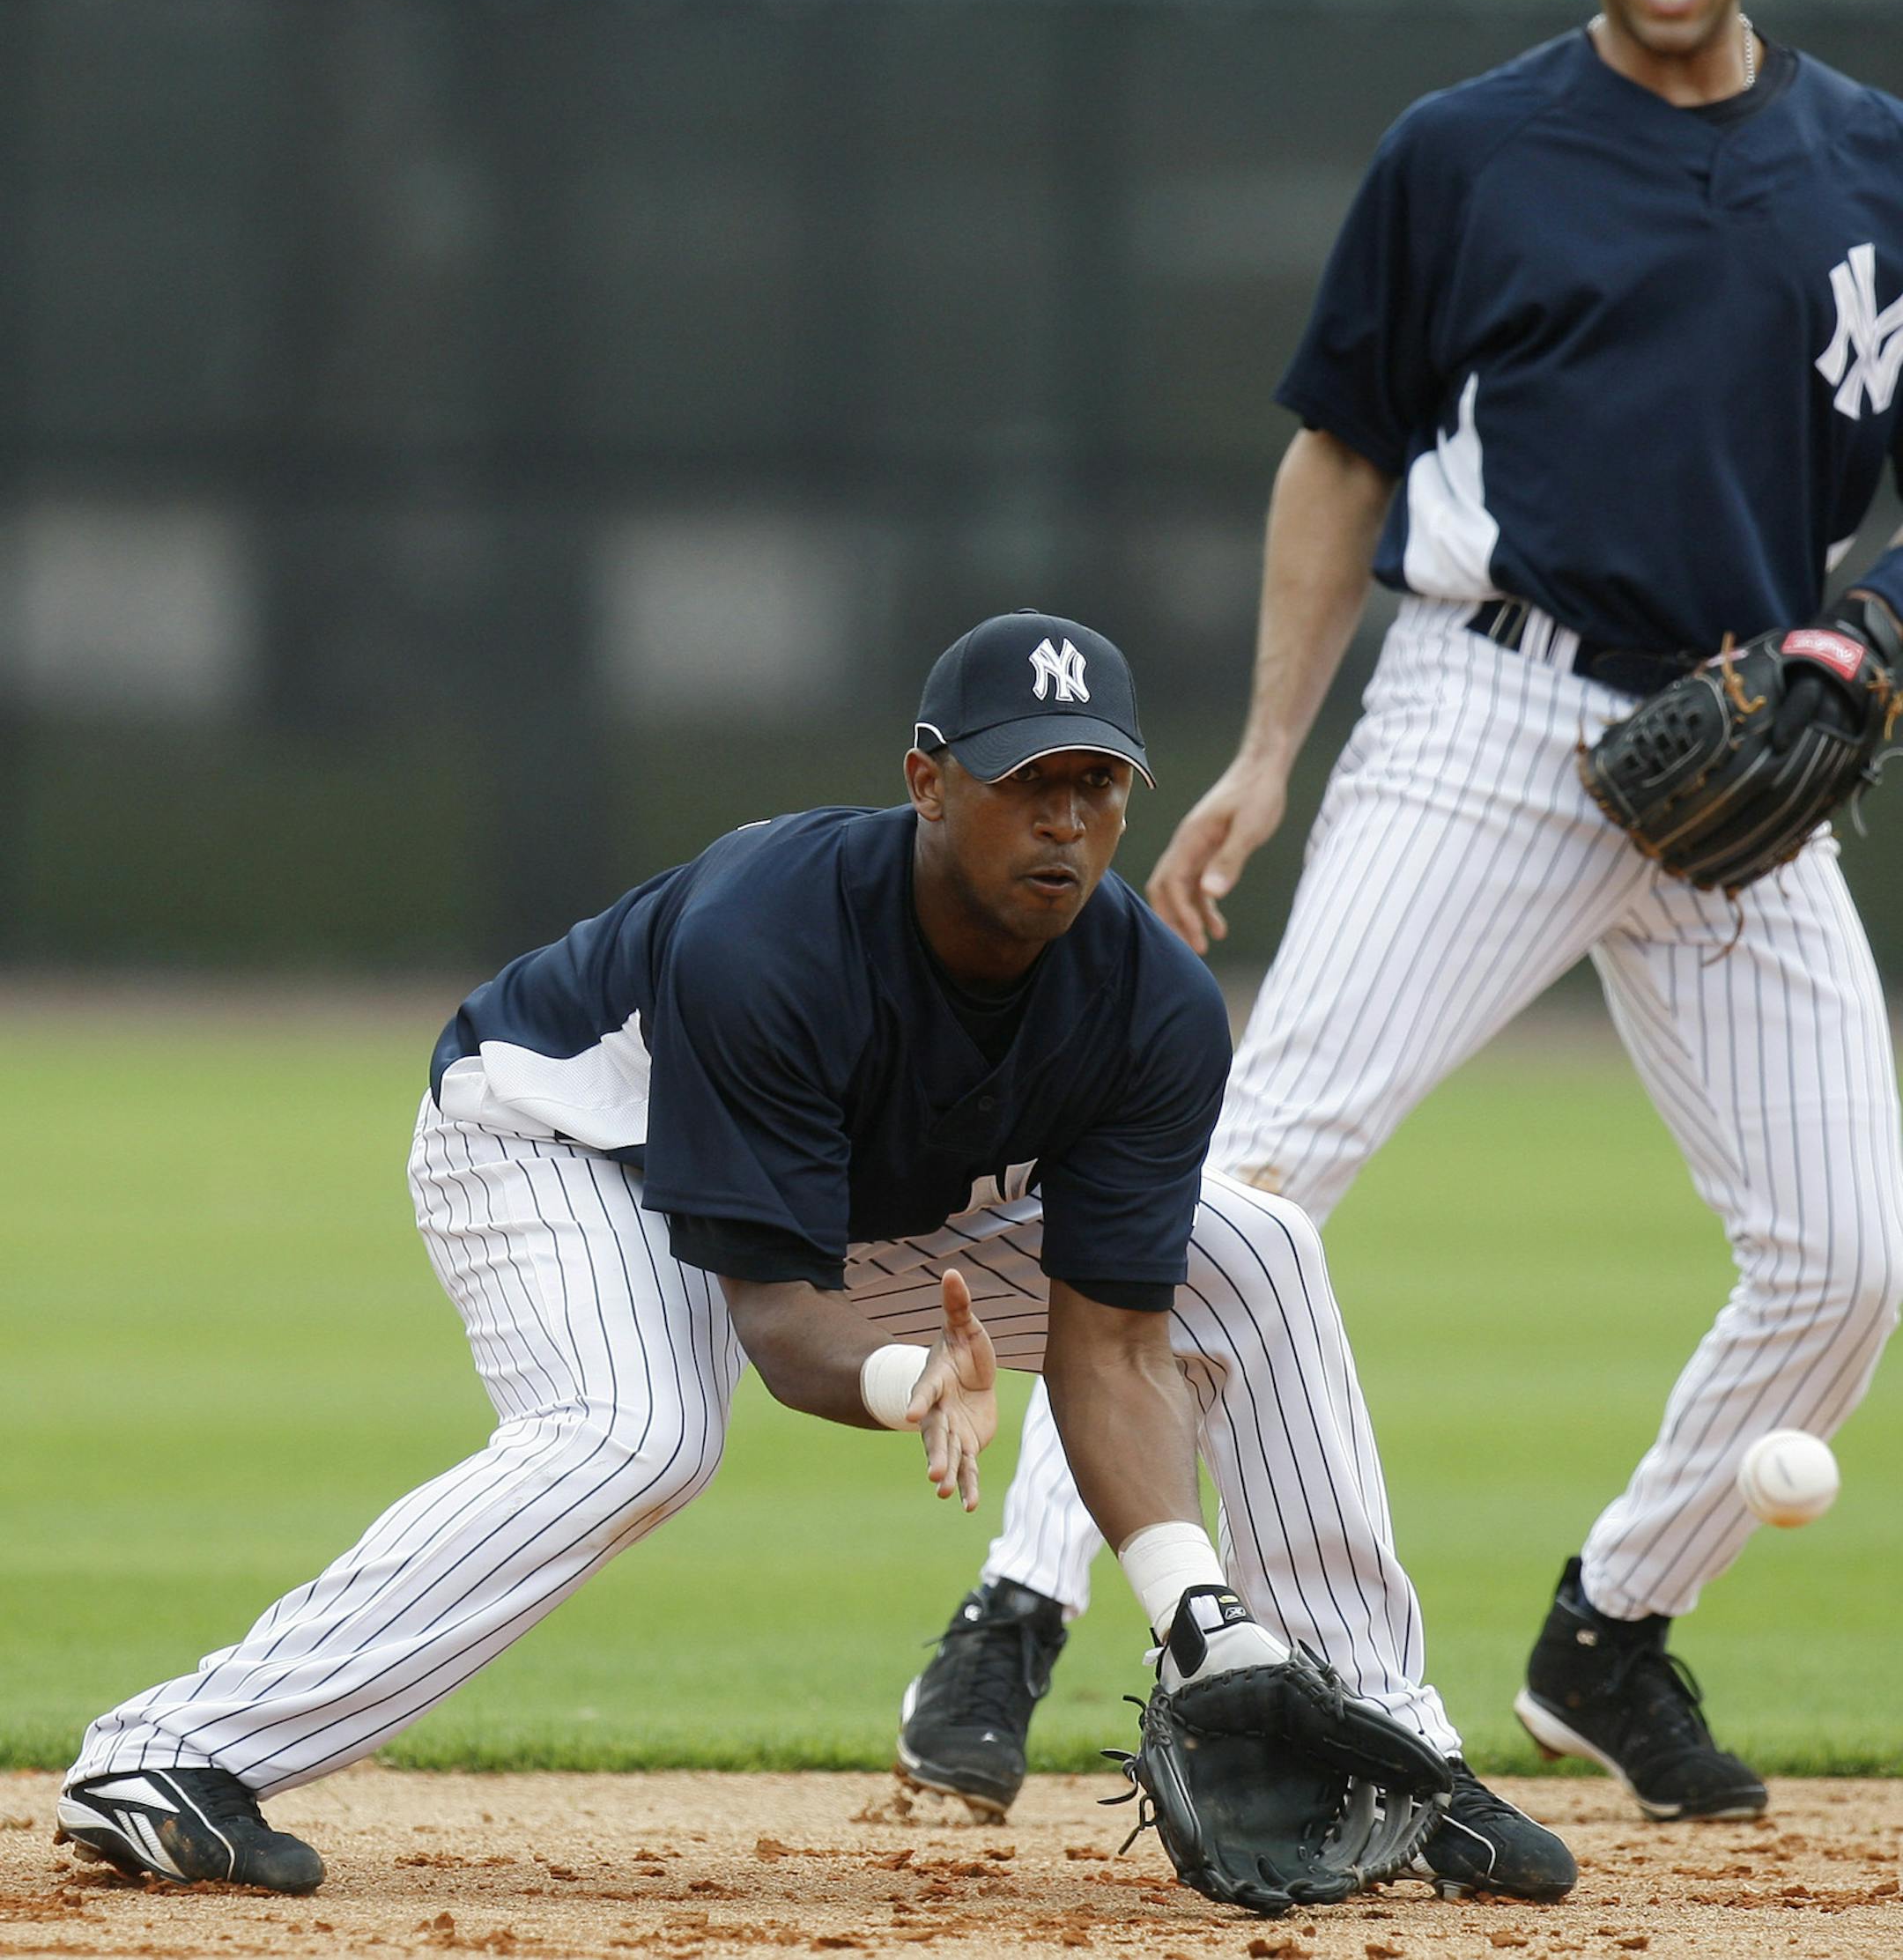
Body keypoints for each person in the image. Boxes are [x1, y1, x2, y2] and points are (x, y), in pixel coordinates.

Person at [899, 0, 1903, 1833]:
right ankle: (1017, 1604)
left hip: (1742, 740)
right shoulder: (1469, 151)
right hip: (1494, 713)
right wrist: (1269, 748)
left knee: (1847, 1250)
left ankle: (1612, 1624)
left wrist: (1869, 632)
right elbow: (1339, 446)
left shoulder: (1873, 163)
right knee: (1252, 1173)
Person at [55, 610, 1572, 1906]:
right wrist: (922, 1373)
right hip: (568, 1143)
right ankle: (173, 1753)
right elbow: (779, 1319)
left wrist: (1196, 1605)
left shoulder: (1152, 1004)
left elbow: (1115, 1344)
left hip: (857, 1203)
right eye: (1028, 779)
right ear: (926, 778)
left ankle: (1388, 1740)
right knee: (637, 1432)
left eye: (1098, 784)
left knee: (1257, 1247)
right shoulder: (769, 934)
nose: (1064, 819)